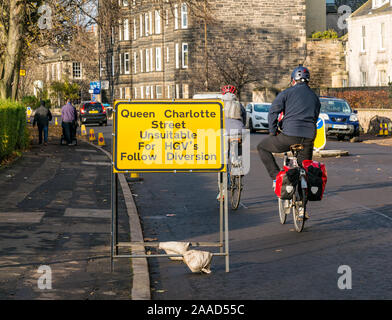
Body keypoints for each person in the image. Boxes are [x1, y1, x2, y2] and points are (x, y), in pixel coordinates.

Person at [257, 65, 321, 217]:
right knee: (303, 168)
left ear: (293, 80)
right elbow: (315, 116)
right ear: (308, 81)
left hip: (289, 136)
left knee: (262, 147)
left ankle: (276, 177)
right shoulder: (314, 96)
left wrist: (273, 132)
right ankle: (301, 207)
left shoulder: (286, 93)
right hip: (309, 137)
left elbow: (273, 111)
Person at [217, 85, 247, 200]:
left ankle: (223, 190)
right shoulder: (239, 104)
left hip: (224, 133)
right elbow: (244, 118)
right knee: (237, 152)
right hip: (239, 132)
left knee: (222, 162)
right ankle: (238, 166)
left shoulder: (219, 105)